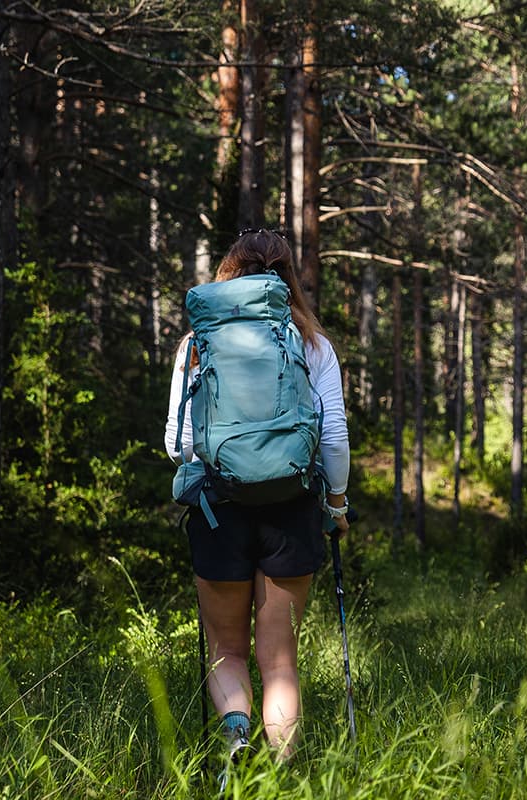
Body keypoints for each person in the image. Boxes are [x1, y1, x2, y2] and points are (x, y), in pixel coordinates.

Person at [162, 229, 351, 767]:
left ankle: (236, 742)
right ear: (287, 276)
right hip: (292, 509)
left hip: (217, 509)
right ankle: (282, 776)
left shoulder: (197, 342)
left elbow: (177, 443)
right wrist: (335, 507)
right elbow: (333, 436)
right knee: (281, 662)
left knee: (226, 650)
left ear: (226, 273)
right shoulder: (311, 342)